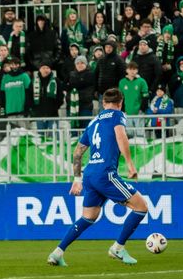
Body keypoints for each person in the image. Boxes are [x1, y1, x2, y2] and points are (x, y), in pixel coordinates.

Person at [47, 88, 149, 267]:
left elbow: (77, 152)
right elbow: (121, 136)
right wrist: (130, 164)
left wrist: (77, 179)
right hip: (105, 174)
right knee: (141, 207)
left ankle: (57, 253)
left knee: (89, 216)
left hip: (90, 174)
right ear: (121, 103)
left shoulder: (93, 122)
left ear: (103, 103)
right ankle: (118, 248)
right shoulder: (118, 115)